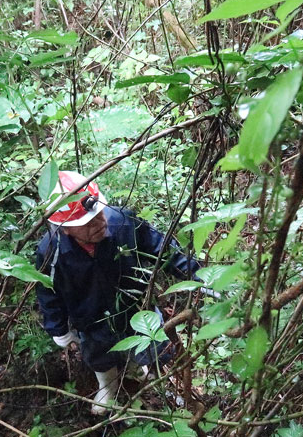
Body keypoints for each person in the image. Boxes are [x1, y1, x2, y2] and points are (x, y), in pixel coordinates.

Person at [35, 171, 200, 415]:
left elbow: (162, 248)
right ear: (66, 229)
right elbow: (48, 290)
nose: (100, 223)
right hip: (91, 318)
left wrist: (197, 274)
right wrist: (57, 328)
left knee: (156, 350)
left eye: (99, 214)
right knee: (98, 355)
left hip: (136, 305)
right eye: (88, 223)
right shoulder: (51, 250)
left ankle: (166, 385)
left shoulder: (122, 221)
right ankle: (108, 387)